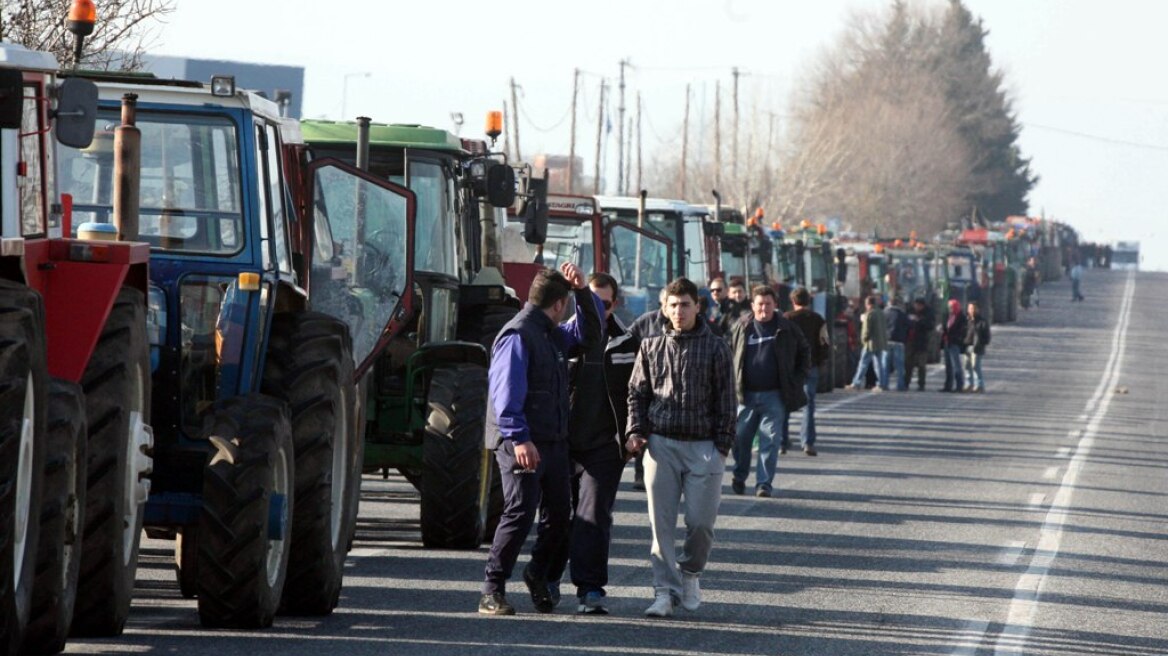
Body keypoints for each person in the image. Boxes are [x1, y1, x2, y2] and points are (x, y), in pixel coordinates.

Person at [479, 263, 603, 616]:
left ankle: (538, 572)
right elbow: (505, 395)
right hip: (521, 442)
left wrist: (583, 291)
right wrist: (520, 439)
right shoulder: (519, 335)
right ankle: (492, 590)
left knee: (560, 515)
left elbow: (590, 335)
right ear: (558, 304)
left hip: (553, 441)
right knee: (520, 512)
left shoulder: (551, 334)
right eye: (568, 302)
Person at [625, 277, 736, 618]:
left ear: (697, 307)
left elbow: (727, 400)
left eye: (685, 304)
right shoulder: (651, 347)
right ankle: (664, 591)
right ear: (664, 308)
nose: (679, 311)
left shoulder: (716, 347)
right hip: (662, 446)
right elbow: (636, 394)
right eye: (672, 305)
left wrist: (722, 447)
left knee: (701, 524)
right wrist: (636, 431)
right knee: (661, 526)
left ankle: (690, 572)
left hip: (704, 446)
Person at [544, 273, 638, 615]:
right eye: (589, 302)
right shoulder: (562, 338)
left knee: (594, 515)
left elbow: (637, 392)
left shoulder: (627, 343)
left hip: (604, 446)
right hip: (562, 442)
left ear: (616, 304)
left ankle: (590, 589)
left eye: (604, 304)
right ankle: (548, 578)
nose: (597, 310)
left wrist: (632, 434)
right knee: (557, 515)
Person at [729, 286, 810, 497]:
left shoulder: (787, 328)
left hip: (774, 395)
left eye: (768, 304)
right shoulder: (741, 327)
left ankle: (763, 484)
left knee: (770, 440)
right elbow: (728, 353)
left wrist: (796, 379)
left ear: (775, 305)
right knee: (740, 439)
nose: (764, 308)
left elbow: (804, 352)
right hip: (745, 395)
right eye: (760, 304)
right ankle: (739, 475)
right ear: (752, 305)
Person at [782, 287, 826, 456]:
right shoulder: (818, 319)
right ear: (809, 301)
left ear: (793, 301)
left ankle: (782, 442)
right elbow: (824, 342)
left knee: (785, 403)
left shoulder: (786, 319)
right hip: (810, 366)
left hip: (789, 367)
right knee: (809, 404)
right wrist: (820, 361)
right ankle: (807, 442)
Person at [849, 295, 887, 391]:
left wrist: (863, 340)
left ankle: (856, 383)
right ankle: (881, 384)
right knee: (878, 365)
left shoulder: (869, 314)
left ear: (868, 304)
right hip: (880, 342)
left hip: (870, 343)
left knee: (863, 363)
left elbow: (866, 330)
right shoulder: (881, 313)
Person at [882, 297, 910, 391]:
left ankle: (884, 384)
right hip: (899, 342)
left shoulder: (884, 313)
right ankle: (900, 385)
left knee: (885, 365)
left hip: (887, 341)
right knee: (899, 366)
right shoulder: (902, 314)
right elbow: (909, 325)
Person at [940, 299, 967, 393]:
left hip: (955, 343)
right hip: (947, 342)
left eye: (951, 307)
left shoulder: (961, 318)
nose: (950, 309)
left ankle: (959, 385)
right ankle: (948, 385)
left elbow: (962, 331)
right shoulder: (948, 316)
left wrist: (954, 337)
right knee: (948, 366)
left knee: (956, 365)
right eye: (949, 307)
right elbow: (946, 327)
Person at [906, 298, 933, 391]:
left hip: (922, 342)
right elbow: (905, 322)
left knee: (921, 365)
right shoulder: (910, 311)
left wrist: (919, 321)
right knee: (908, 364)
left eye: (919, 305)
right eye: (916, 305)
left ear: (922, 306)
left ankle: (921, 384)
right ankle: (906, 382)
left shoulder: (928, 313)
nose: (917, 307)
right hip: (910, 341)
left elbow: (930, 325)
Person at [963, 302, 991, 392]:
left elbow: (987, 336)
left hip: (977, 347)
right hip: (967, 346)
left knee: (975, 366)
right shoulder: (967, 320)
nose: (972, 310)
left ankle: (979, 385)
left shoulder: (982, 322)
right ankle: (969, 384)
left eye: (973, 308)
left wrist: (980, 344)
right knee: (967, 366)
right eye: (970, 308)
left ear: (978, 309)